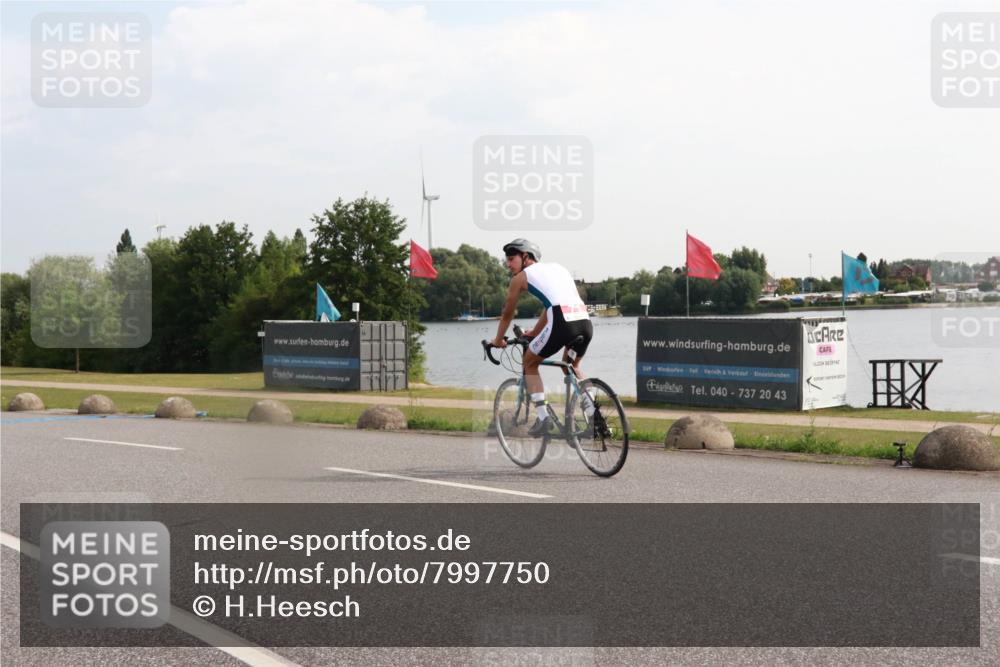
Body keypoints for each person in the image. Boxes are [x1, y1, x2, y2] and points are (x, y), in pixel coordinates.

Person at [491, 238, 595, 435]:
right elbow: (553, 306)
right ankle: (594, 415)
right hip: (584, 321)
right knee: (572, 366)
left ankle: (543, 418)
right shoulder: (559, 268)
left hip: (562, 322)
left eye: (512, 259)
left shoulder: (520, 278)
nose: (508, 264)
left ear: (526, 257)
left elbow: (507, 314)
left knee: (529, 362)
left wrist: (498, 340)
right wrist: (535, 333)